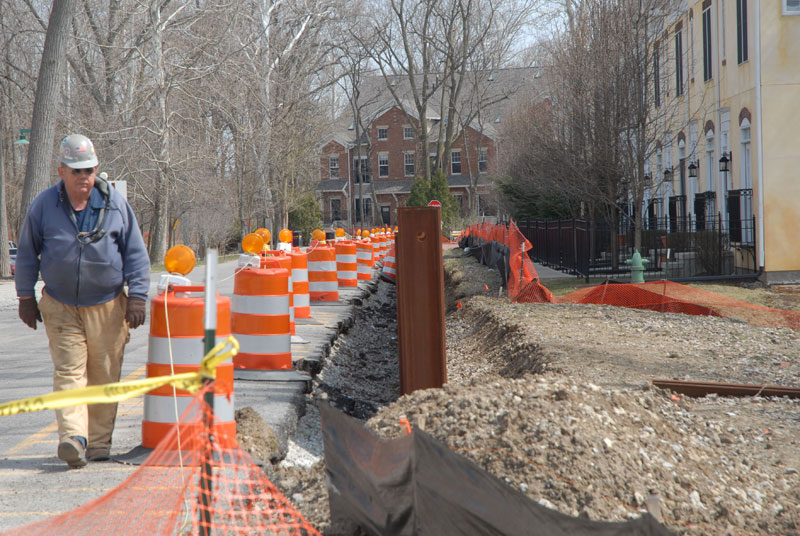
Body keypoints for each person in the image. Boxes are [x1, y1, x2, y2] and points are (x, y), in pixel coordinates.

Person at [15, 134, 150, 468]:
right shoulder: (44, 205)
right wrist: (24, 296)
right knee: (69, 372)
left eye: (88, 170)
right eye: (76, 171)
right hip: (60, 305)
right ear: (61, 171)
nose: (83, 177)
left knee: (104, 373)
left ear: (97, 170)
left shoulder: (115, 204)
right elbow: (29, 252)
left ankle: (100, 443)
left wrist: (138, 297)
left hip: (107, 304)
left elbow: (136, 253)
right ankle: (73, 437)